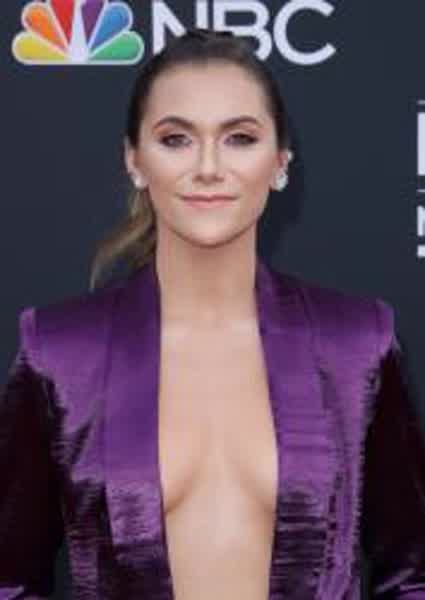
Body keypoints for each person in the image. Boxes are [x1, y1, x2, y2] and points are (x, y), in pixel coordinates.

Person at [1, 27, 425, 600]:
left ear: (280, 162)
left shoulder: (356, 344)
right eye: (176, 139)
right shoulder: (59, 350)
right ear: (134, 160)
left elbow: (412, 575)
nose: (208, 167)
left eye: (239, 138)